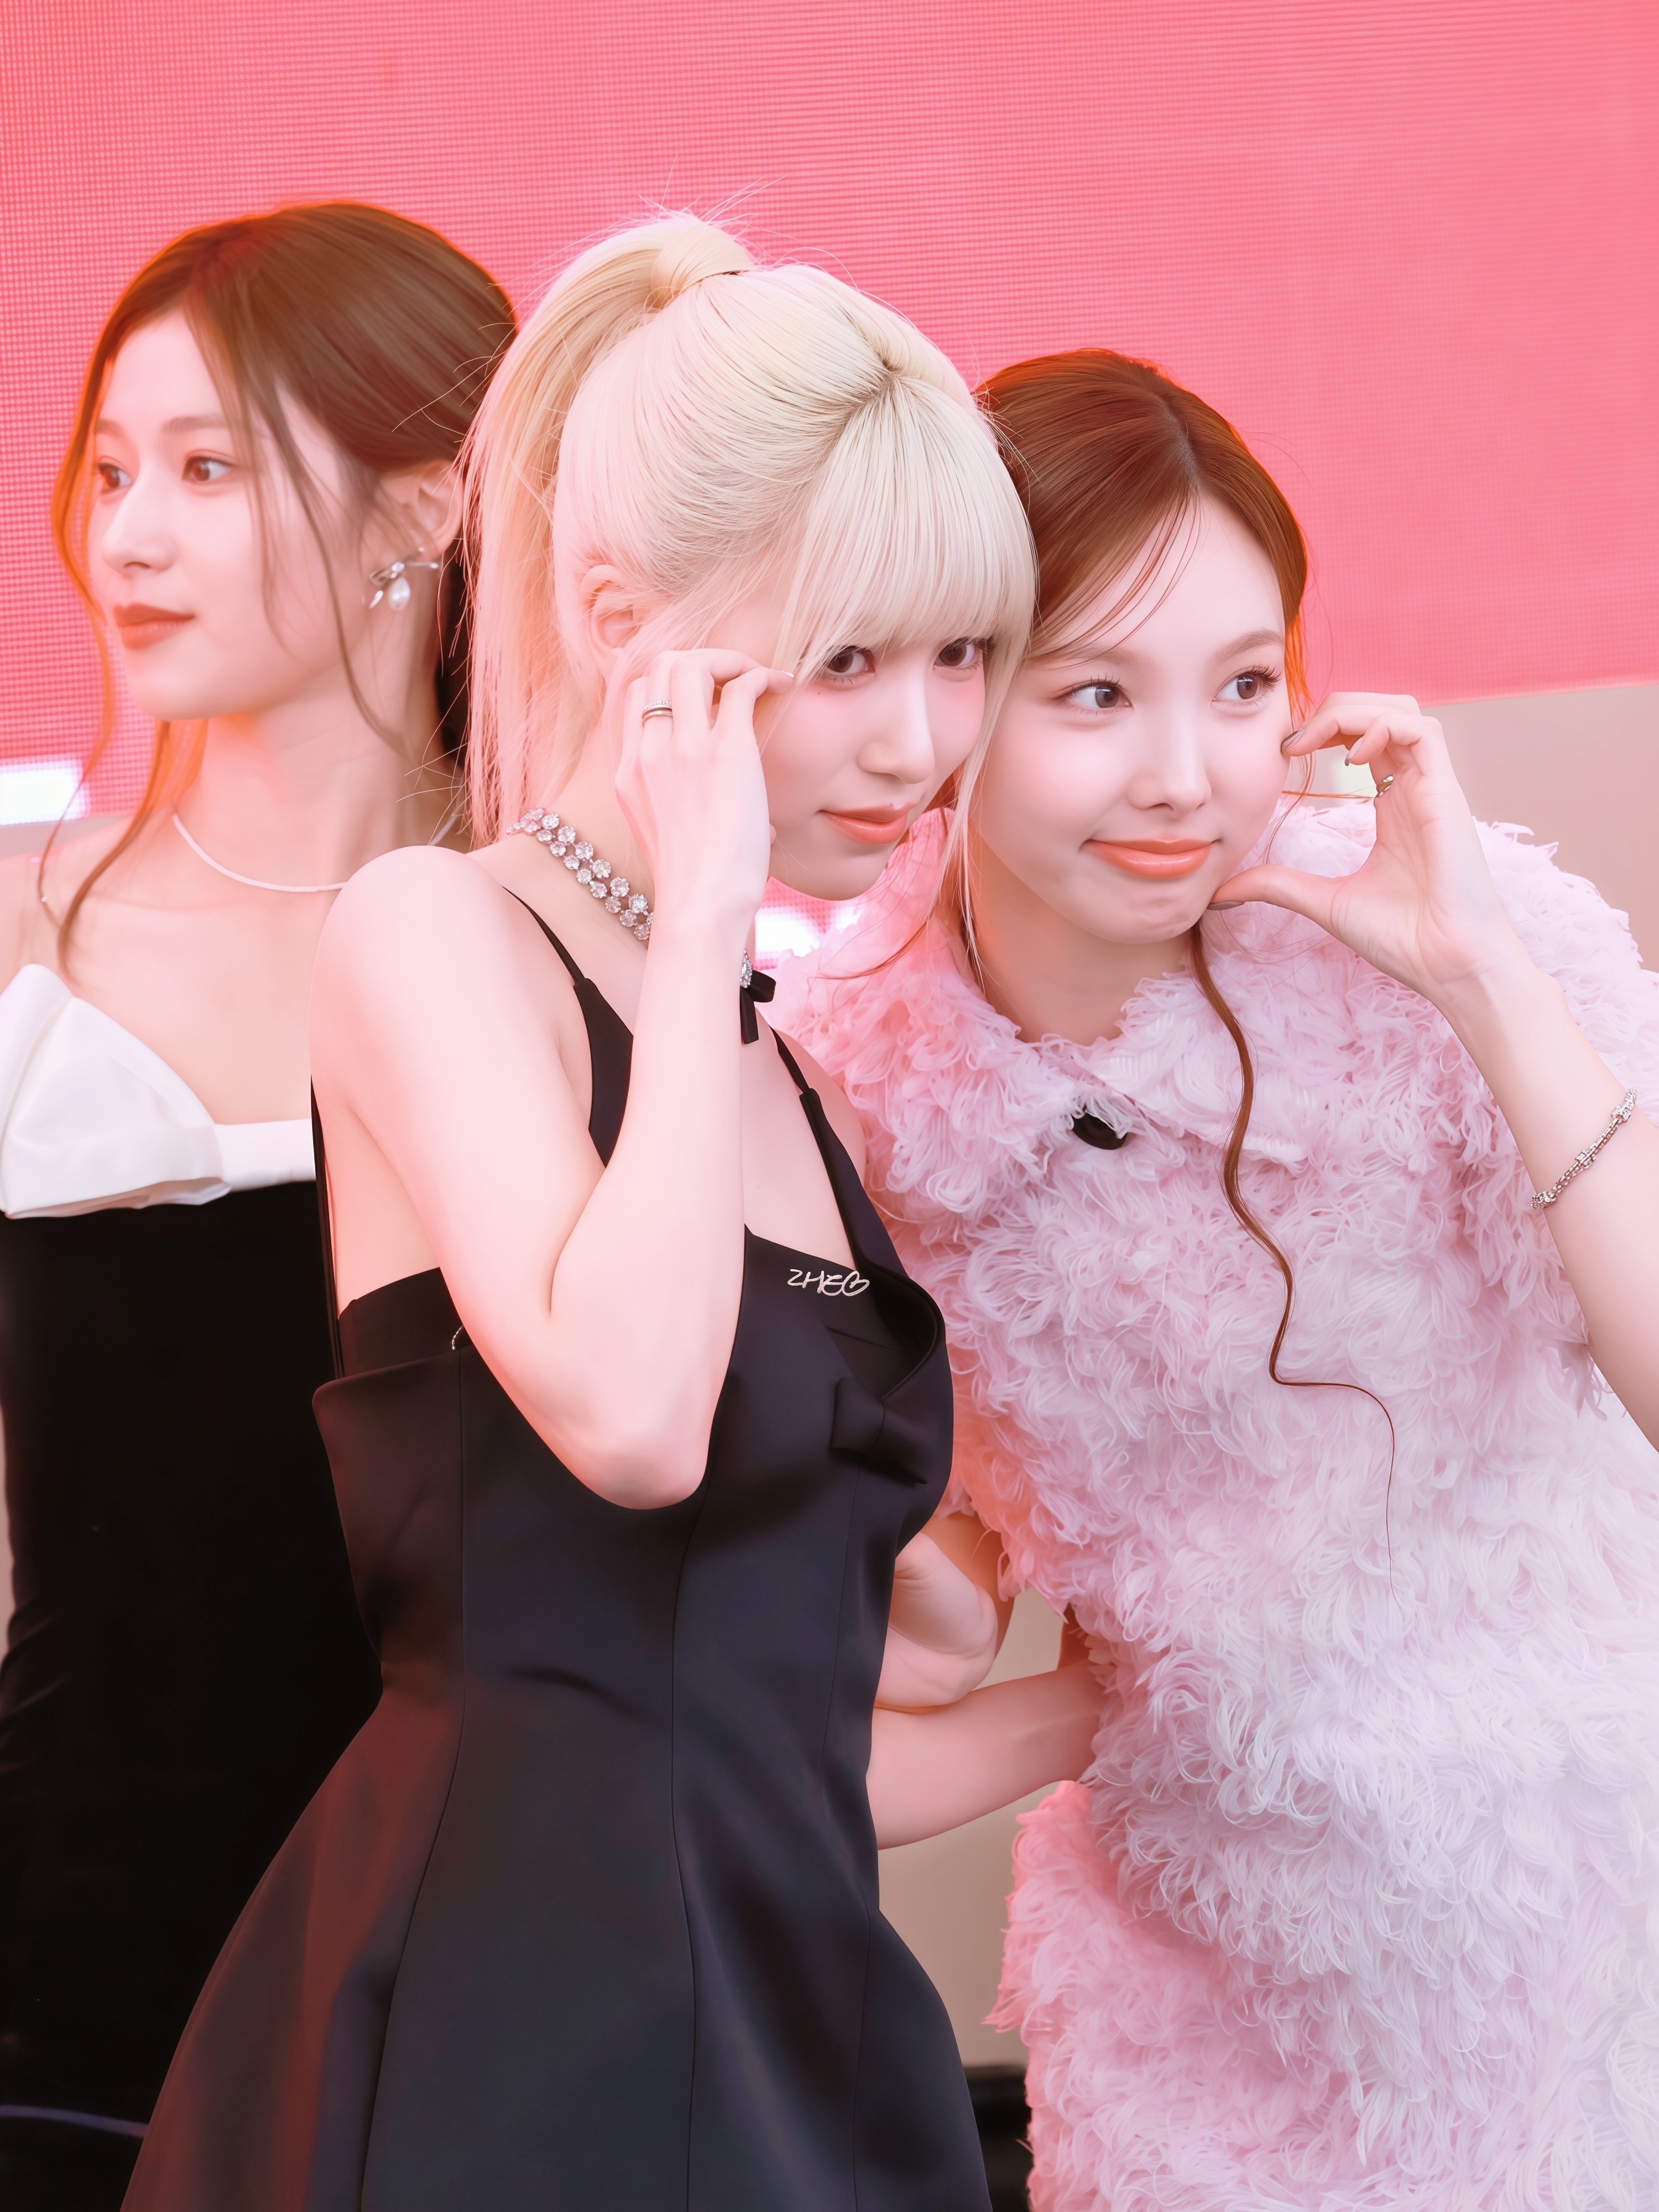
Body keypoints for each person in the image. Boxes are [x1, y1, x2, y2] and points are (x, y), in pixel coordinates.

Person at [122, 216, 1098, 2212]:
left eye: (960, 658)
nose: (919, 743)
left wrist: (1110, 1703)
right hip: (516, 2028)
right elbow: (636, 1424)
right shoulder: (435, 934)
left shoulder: (776, 1063)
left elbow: (767, 1727)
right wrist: (706, 908)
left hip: (792, 2019)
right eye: (847, 658)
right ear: (619, 617)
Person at [776, 347, 1659, 2210]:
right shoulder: (850, 1081)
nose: (1188, 777)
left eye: (1247, 687)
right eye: (1097, 693)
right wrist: (1042, 1670)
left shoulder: (1459, 936)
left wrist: (1480, 977)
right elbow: (862, 1616)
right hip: (1210, 1996)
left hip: (1602, 1920)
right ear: (954, 691)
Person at [0, 204, 515, 2210]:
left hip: (481, 1979)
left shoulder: (570, 943)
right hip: (69, 2001)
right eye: (113, 470)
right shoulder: (25, 933)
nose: (128, 537)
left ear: (433, 505)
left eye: (209, 470)